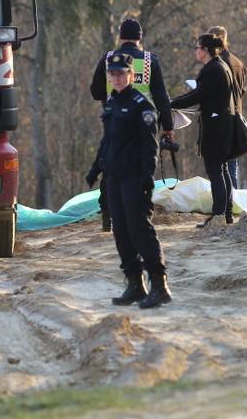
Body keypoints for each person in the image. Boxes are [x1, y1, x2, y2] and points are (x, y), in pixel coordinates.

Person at [93, 51, 171, 309]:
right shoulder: (112, 103)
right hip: (114, 177)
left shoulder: (142, 105)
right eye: (112, 74)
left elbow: (151, 146)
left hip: (134, 177)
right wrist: (96, 167)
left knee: (139, 230)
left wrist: (148, 177)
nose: (116, 78)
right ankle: (135, 284)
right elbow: (108, 141)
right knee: (122, 232)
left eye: (121, 74)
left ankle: (159, 285)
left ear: (131, 75)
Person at [89, 17, 174, 232]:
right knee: (143, 164)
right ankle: (140, 212)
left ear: (120, 36)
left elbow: (95, 91)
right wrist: (168, 126)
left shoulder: (108, 59)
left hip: (116, 122)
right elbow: (162, 97)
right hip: (143, 123)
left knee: (111, 166)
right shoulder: (149, 61)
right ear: (140, 38)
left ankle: (108, 215)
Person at [169, 34, 236, 228]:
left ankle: (219, 214)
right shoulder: (220, 66)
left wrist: (171, 103)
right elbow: (199, 94)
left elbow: (197, 95)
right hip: (222, 125)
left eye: (197, 47)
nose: (195, 51)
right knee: (222, 170)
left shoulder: (213, 69)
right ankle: (226, 214)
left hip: (215, 128)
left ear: (205, 49)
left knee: (215, 170)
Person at [207, 25, 247, 189]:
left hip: (221, 117)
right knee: (231, 166)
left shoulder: (217, 64)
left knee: (219, 168)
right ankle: (234, 202)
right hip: (237, 116)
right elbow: (241, 90)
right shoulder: (238, 62)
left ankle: (224, 205)